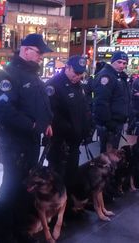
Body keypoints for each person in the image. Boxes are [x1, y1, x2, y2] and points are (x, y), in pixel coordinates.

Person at [0, 33, 53, 242]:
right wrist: (33, 125)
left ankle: (20, 230)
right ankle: (5, 234)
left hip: (31, 143)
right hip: (15, 144)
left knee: (26, 189)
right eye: (38, 52)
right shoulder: (7, 75)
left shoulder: (32, 75)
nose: (40, 57)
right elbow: (4, 111)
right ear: (25, 50)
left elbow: (41, 105)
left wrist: (47, 123)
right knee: (10, 188)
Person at [45, 55, 92, 209]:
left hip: (74, 143)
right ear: (67, 68)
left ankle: (67, 211)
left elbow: (83, 111)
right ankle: (55, 212)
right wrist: (71, 130)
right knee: (57, 181)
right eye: (75, 73)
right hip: (60, 143)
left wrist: (86, 130)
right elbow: (52, 115)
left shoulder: (79, 86)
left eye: (80, 74)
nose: (77, 76)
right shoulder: (54, 85)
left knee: (71, 177)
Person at [92, 51, 129, 153]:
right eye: (119, 62)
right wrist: (108, 122)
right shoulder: (106, 76)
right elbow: (101, 101)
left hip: (117, 122)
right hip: (109, 124)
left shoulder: (120, 77)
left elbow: (123, 99)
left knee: (113, 154)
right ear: (113, 62)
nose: (122, 65)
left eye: (124, 63)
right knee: (107, 157)